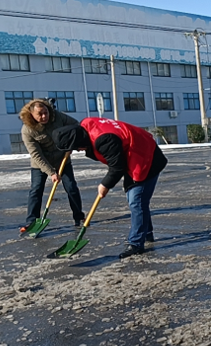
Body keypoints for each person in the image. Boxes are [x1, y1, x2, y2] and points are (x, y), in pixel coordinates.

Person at [51, 118, 168, 259]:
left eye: (77, 147)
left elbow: (117, 167)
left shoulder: (104, 140)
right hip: (131, 153)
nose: (79, 150)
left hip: (145, 157)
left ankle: (136, 243)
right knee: (136, 200)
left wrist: (105, 185)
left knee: (136, 200)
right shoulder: (85, 126)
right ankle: (146, 233)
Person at [19, 98, 84, 233]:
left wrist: (72, 144)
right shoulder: (27, 130)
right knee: (36, 190)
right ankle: (31, 221)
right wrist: (51, 173)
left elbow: (76, 126)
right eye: (40, 114)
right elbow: (36, 154)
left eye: (46, 112)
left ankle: (79, 217)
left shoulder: (57, 116)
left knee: (71, 187)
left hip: (62, 159)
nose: (44, 116)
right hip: (40, 164)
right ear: (32, 115)